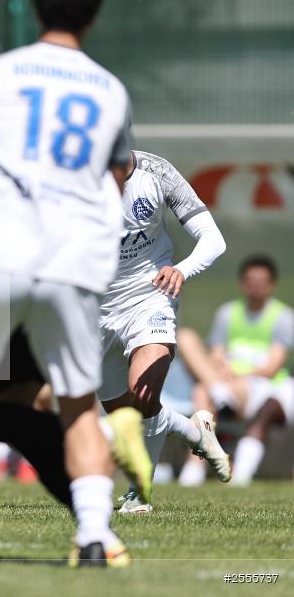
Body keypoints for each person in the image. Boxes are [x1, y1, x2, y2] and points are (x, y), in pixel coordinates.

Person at [0, 0, 144, 565]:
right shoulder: (111, 89)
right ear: (92, 19)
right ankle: (94, 536)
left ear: (37, 14)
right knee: (75, 404)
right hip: (76, 258)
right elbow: (119, 177)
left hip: (4, 249)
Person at [98, 149, 230, 512]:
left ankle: (139, 494)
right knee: (127, 413)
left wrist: (181, 270)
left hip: (150, 296)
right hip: (95, 308)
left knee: (141, 393)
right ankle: (193, 431)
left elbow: (213, 239)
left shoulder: (157, 173)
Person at [176, 255, 294, 486]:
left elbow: (271, 368)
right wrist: (221, 372)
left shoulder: (283, 317)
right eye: (250, 282)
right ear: (242, 283)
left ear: (271, 285)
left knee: (202, 392)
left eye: (261, 282)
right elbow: (216, 355)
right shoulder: (228, 313)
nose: (255, 287)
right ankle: (218, 394)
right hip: (225, 384)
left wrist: (237, 375)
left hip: (259, 387)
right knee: (185, 339)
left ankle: (195, 463)